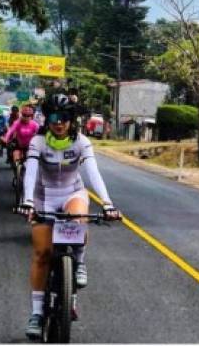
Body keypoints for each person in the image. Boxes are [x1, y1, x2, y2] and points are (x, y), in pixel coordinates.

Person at [22, 94, 120, 339]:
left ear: (71, 120)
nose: (59, 123)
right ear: (47, 119)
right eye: (54, 117)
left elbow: (93, 173)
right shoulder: (38, 141)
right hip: (44, 196)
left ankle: (78, 267)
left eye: (64, 117)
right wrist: (27, 201)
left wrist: (107, 204)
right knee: (42, 253)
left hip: (71, 193)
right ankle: (36, 313)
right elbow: (31, 172)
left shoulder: (81, 142)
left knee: (78, 218)